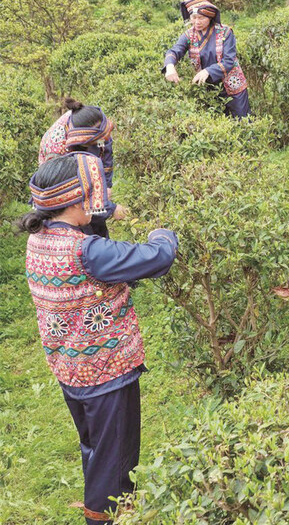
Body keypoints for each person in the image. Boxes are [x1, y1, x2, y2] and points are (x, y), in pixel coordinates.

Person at [20, 152, 179, 525]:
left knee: (95, 448)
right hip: (107, 375)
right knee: (116, 464)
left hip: (71, 373)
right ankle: (106, 519)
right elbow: (157, 257)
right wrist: (164, 234)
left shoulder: (39, 238)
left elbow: (89, 242)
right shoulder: (88, 251)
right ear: (76, 201)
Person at [38, 98, 127, 238]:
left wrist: (105, 186)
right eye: (97, 139)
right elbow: (77, 191)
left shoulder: (93, 120)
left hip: (81, 155)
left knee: (97, 225)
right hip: (61, 191)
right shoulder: (57, 150)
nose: (101, 140)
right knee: (80, 226)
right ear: (82, 141)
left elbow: (105, 149)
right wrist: (110, 209)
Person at [163, 0, 251, 118]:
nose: (197, 22)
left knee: (243, 121)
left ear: (210, 18)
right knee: (217, 124)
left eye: (201, 18)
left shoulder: (225, 32)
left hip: (232, 87)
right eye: (193, 18)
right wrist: (170, 66)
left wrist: (208, 71)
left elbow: (229, 61)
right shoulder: (189, 35)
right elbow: (175, 50)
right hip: (208, 88)